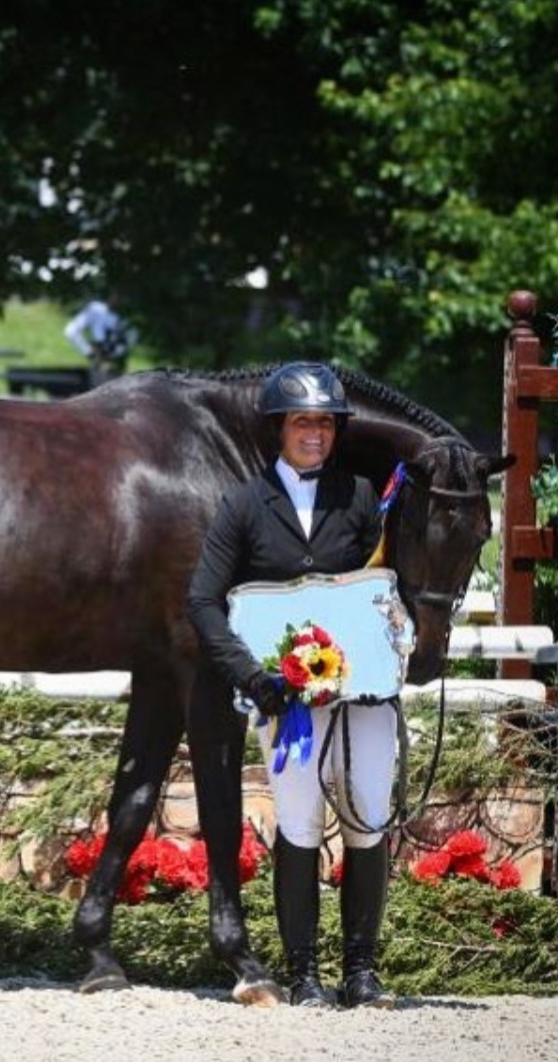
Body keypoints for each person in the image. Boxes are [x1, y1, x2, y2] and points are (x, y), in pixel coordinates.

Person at [186, 361, 397, 1010]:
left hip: (362, 697)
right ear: (281, 428)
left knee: (368, 814)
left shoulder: (361, 497)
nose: (315, 434)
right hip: (287, 702)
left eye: (325, 424)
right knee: (300, 823)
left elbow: (382, 588)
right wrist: (252, 676)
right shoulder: (244, 503)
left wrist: (396, 639)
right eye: (303, 422)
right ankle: (303, 972)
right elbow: (202, 600)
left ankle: (360, 970)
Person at [63, 293, 136, 386]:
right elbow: (71, 331)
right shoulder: (96, 310)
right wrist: (89, 352)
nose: (119, 299)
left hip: (117, 366)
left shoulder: (127, 316)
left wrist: (119, 352)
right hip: (101, 362)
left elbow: (130, 338)